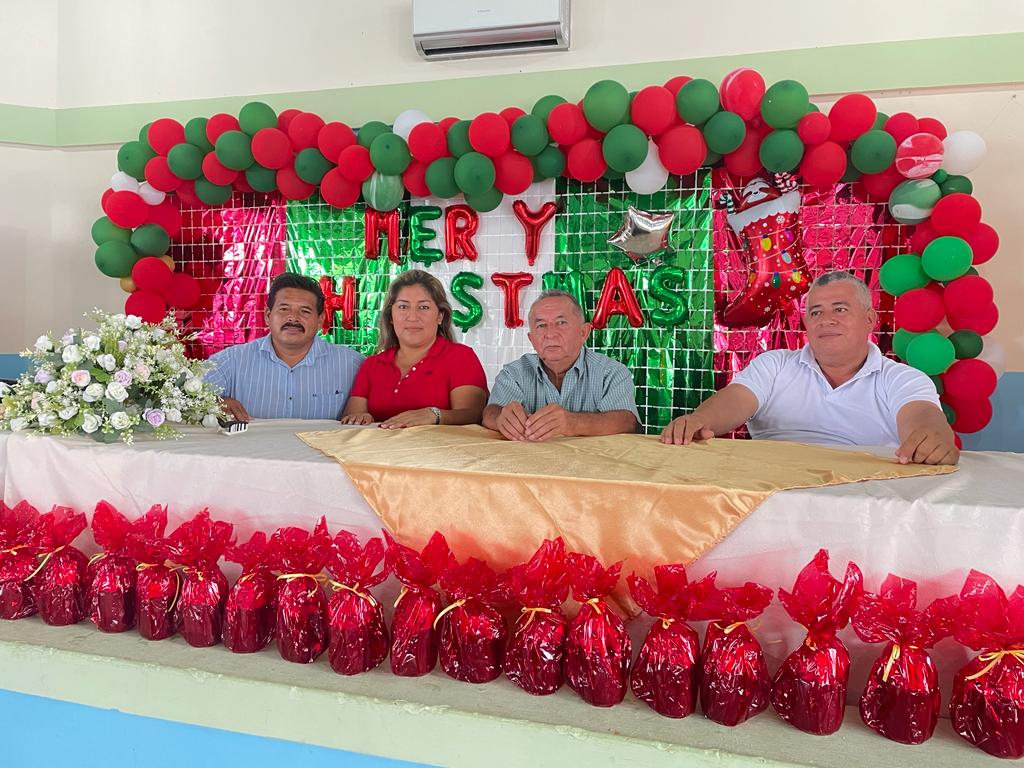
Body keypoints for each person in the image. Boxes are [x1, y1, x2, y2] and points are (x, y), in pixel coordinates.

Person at [660, 271, 959, 465]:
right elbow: (736, 399)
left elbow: (923, 418)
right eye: (816, 312)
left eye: (840, 309)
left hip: (862, 501)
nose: (826, 320)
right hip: (772, 495)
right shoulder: (775, 365)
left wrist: (931, 439)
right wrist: (700, 420)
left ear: (870, 319)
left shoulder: (902, 379)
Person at [204, 272, 364, 421]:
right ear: (268, 316)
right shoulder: (231, 361)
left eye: (305, 311)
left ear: (320, 320)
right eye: (284, 309)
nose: (293, 318)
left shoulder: (353, 365)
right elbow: (190, 397)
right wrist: (213, 403)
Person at [483, 289, 638, 442]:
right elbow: (490, 412)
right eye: (541, 325)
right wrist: (501, 418)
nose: (550, 334)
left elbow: (627, 422)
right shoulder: (514, 373)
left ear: (584, 333)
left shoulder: (611, 372)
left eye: (561, 323)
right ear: (531, 339)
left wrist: (572, 422)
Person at [340, 270, 487, 428]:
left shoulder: (460, 357)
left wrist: (435, 415)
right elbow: (351, 419)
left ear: (440, 316)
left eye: (423, 307)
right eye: (403, 306)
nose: (412, 317)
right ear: (390, 316)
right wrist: (360, 418)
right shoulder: (371, 365)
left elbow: (473, 415)